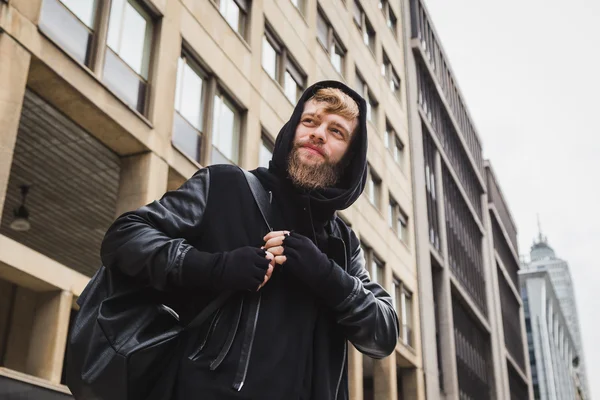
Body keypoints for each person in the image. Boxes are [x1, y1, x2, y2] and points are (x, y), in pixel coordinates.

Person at [100, 80, 399, 400]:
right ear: (292, 130)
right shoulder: (224, 186)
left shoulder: (342, 243)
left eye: (336, 131)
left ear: (350, 158)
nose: (318, 133)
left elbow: (383, 335)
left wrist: (328, 277)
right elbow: (125, 236)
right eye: (309, 121)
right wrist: (214, 266)